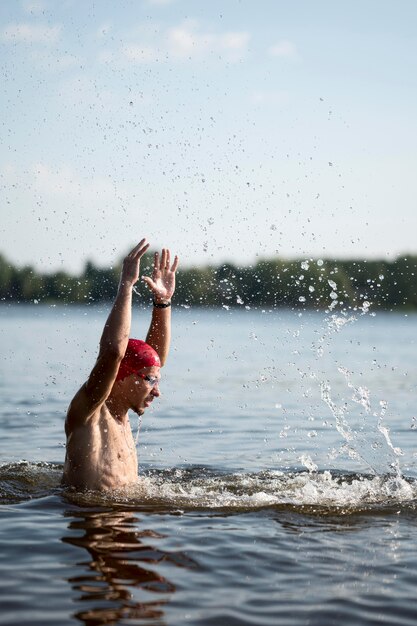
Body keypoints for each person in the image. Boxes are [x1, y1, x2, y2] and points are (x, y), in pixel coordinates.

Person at [62, 238, 179, 491]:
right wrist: (127, 286)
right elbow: (114, 353)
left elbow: (152, 359)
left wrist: (163, 303)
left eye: (156, 381)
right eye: (150, 381)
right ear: (121, 376)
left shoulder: (123, 414)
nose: (157, 391)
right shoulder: (89, 414)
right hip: (94, 521)